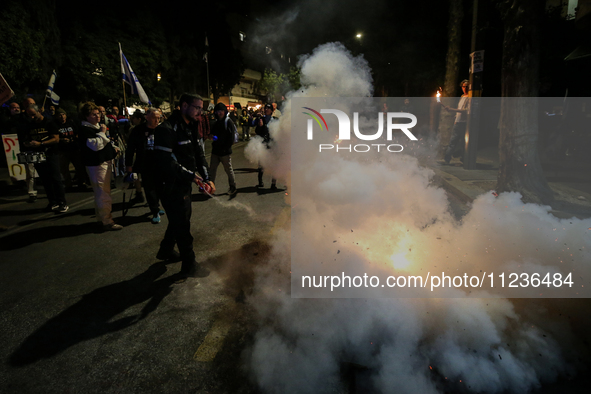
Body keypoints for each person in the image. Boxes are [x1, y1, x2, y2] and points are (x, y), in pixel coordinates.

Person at [145, 93, 215, 280]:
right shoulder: (166, 130)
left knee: (180, 218)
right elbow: (166, 163)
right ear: (184, 105)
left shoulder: (191, 125)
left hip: (185, 183)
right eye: (197, 108)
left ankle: (166, 249)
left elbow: (199, 154)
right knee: (182, 223)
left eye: (202, 108)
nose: (200, 112)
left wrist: (207, 178)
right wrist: (193, 176)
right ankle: (189, 264)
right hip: (169, 185)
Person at [79, 102, 122, 231]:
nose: (98, 116)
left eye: (98, 113)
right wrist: (102, 133)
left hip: (103, 162)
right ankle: (107, 221)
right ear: (86, 116)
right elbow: (96, 146)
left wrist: (112, 148)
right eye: (94, 114)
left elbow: (103, 143)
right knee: (103, 193)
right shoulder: (86, 130)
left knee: (101, 193)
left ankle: (101, 218)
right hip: (97, 165)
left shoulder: (95, 127)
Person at [20, 104, 69, 212]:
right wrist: (28, 144)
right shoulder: (30, 125)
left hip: (51, 154)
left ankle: (62, 202)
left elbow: (55, 139)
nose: (32, 117)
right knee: (45, 180)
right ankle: (52, 202)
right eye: (29, 116)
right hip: (38, 155)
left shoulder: (49, 123)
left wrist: (41, 143)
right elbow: (27, 137)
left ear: (39, 112)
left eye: (33, 115)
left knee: (56, 178)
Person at [125, 107, 164, 223]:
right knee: (149, 187)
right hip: (145, 164)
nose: (156, 121)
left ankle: (156, 205)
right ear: (147, 118)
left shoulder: (162, 129)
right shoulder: (138, 131)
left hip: (160, 163)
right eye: (154, 118)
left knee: (160, 187)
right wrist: (129, 165)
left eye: (158, 118)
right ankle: (155, 210)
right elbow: (130, 149)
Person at [53, 108, 87, 190]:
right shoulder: (55, 125)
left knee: (79, 167)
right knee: (64, 169)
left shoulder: (71, 122)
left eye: (63, 114)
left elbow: (78, 133)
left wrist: (74, 139)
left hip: (74, 148)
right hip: (63, 150)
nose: (62, 116)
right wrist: (62, 140)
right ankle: (68, 185)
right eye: (60, 115)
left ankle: (82, 182)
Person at [210, 102, 237, 195]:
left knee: (228, 170)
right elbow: (212, 134)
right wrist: (212, 137)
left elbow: (231, 138)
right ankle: (210, 187)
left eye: (221, 111)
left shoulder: (228, 122)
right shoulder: (216, 122)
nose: (219, 113)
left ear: (225, 112)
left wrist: (225, 148)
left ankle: (233, 186)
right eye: (217, 111)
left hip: (225, 152)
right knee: (212, 170)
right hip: (215, 151)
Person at [441, 79, 470, 164]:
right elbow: (459, 110)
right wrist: (456, 115)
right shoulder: (462, 97)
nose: (464, 88)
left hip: (464, 123)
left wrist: (452, 110)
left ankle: (464, 159)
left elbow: (465, 110)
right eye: (463, 86)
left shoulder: (470, 98)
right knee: (453, 141)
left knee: (463, 142)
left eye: (466, 86)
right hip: (457, 122)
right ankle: (447, 159)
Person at [252, 103, 277, 189]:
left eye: (268, 108)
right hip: (263, 143)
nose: (266, 110)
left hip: (272, 144)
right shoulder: (261, 119)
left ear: (272, 111)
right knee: (261, 164)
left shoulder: (275, 120)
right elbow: (257, 131)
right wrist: (260, 125)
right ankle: (260, 182)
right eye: (265, 108)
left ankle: (273, 184)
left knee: (274, 165)